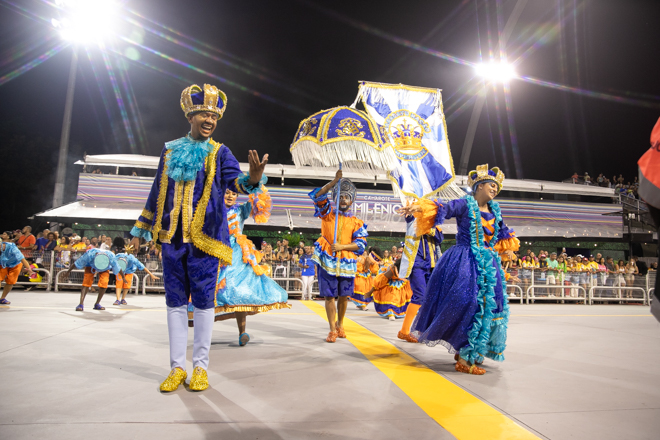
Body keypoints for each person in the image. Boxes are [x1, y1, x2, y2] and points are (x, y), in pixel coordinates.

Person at [129, 83, 268, 392]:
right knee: (175, 304)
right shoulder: (170, 149)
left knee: (204, 304)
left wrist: (253, 180)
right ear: (190, 116)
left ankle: (200, 369)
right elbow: (156, 192)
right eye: (204, 115)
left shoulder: (221, 152)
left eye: (213, 116)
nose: (209, 121)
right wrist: (141, 229)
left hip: (205, 241)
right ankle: (177, 368)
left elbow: (237, 182)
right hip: (172, 240)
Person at [400, 164, 520, 375]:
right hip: (465, 260)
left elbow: (501, 235)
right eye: (492, 185)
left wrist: (507, 251)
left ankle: (468, 350)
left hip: (489, 266)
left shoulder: (495, 210)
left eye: (497, 187)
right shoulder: (465, 204)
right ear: (479, 186)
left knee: (490, 307)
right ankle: (465, 358)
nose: (495, 189)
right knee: (468, 303)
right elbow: (443, 209)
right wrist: (419, 208)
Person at [198, 187, 289, 347]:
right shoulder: (213, 208)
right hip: (216, 252)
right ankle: (204, 334)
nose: (230, 196)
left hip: (237, 255)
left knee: (240, 292)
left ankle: (242, 332)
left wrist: (254, 185)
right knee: (212, 293)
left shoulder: (241, 210)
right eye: (227, 192)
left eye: (234, 194)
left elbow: (255, 203)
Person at [309, 170, 368, 343]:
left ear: (351, 200)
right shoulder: (327, 214)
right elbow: (318, 196)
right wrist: (334, 181)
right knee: (329, 296)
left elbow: (361, 244)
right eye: (340, 196)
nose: (343, 199)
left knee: (343, 295)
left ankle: (340, 324)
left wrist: (342, 246)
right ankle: (332, 329)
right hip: (328, 260)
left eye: (346, 197)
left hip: (346, 262)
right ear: (336, 198)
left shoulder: (356, 222)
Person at [396, 203, 443, 343]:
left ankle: (422, 330)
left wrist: (429, 229)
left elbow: (440, 238)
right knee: (420, 296)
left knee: (429, 298)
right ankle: (404, 331)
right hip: (416, 263)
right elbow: (409, 216)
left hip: (432, 265)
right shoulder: (413, 219)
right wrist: (411, 209)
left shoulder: (434, 223)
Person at [63, 247, 126, 311]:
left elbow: (118, 267)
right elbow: (77, 263)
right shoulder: (89, 255)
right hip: (90, 265)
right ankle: (81, 304)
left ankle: (97, 303)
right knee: (86, 282)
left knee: (104, 283)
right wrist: (68, 272)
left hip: (105, 267)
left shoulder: (111, 257)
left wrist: (123, 277)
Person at [0, 238, 34, 304]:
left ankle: (2, 298)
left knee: (11, 282)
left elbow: (22, 259)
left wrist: (29, 269)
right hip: (2, 264)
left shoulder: (11, 247)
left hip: (15, 265)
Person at [350, 247, 381, 311]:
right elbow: (358, 268)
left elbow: (374, 271)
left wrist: (372, 264)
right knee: (360, 288)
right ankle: (362, 304)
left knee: (368, 289)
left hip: (367, 277)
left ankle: (361, 304)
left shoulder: (373, 261)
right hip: (360, 275)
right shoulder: (361, 258)